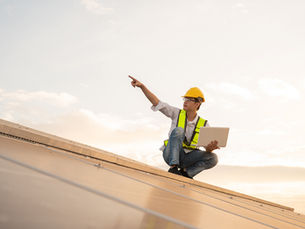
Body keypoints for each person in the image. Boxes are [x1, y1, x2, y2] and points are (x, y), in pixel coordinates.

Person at [129, 75, 219, 179]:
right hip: (170, 153)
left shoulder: (204, 124)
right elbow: (157, 102)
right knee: (178, 131)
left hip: (188, 157)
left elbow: (206, 148)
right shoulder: (176, 113)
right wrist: (142, 87)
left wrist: (209, 149)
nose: (185, 101)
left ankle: (186, 173)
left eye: (189, 99)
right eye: (185, 99)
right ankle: (173, 168)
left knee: (213, 158)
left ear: (197, 104)